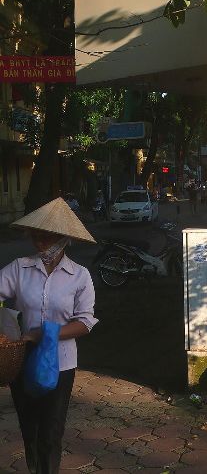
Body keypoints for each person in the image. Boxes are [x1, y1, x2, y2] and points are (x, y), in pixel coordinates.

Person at [0, 197, 98, 474]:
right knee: (29, 428)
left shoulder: (80, 276)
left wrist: (47, 333)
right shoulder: (19, 269)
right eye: (36, 236)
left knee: (51, 430)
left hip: (61, 362)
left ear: (63, 239)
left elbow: (85, 322)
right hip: (21, 360)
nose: (40, 242)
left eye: (47, 237)